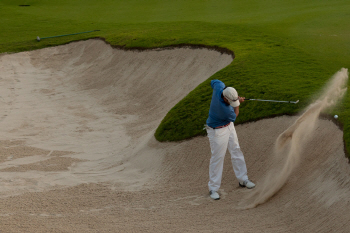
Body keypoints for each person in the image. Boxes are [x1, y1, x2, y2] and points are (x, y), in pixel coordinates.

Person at [206, 79, 255, 200]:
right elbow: (234, 116)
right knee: (218, 157)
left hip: (229, 127)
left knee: (236, 150)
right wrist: (237, 104)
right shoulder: (224, 109)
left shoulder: (219, 88)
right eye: (231, 101)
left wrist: (234, 97)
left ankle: (243, 179)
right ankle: (213, 188)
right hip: (217, 131)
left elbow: (214, 81)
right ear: (225, 99)